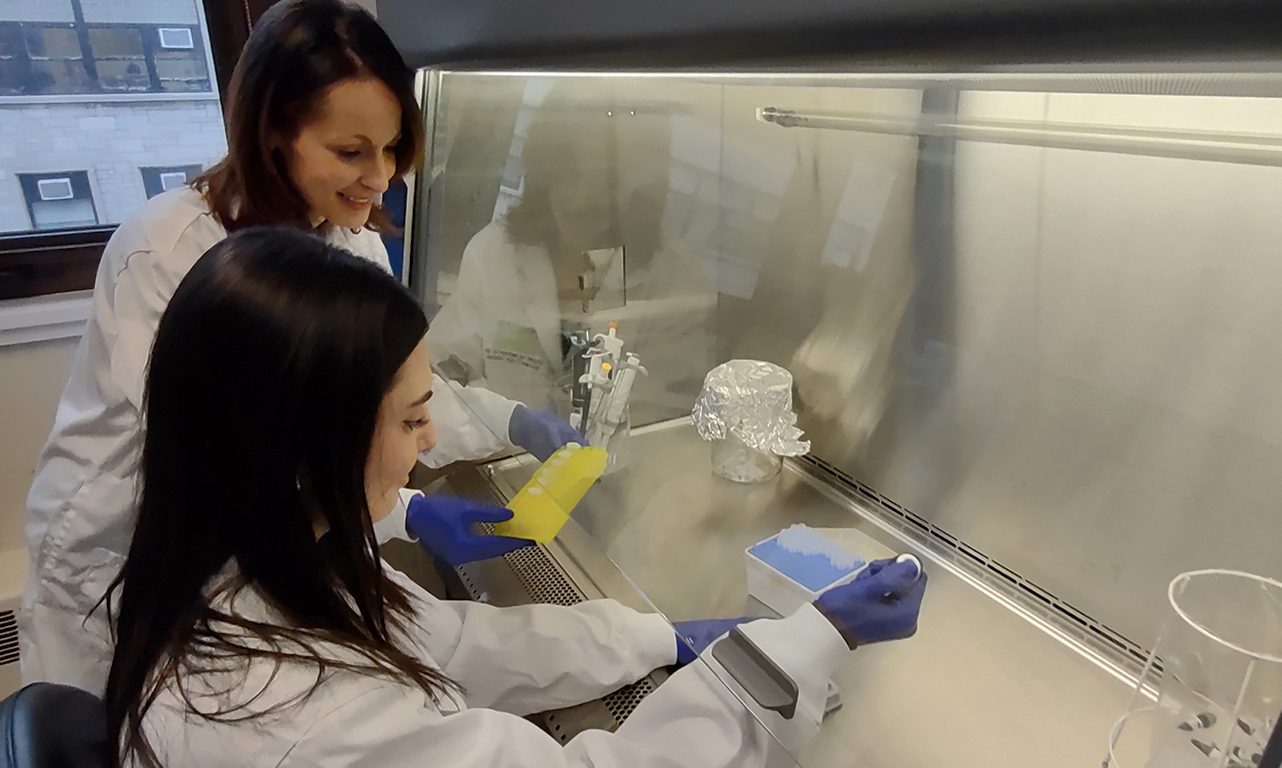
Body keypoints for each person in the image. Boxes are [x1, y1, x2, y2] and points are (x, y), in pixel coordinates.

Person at [103, 226, 928, 767]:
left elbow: (450, 646)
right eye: (414, 417)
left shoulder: (241, 568)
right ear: (302, 449)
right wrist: (802, 648)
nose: (430, 445)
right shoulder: (311, 721)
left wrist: (653, 636)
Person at [20, 0, 577, 695]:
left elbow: (377, 391)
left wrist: (506, 417)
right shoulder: (173, 253)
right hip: (122, 555)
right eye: (350, 152)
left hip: (250, 560)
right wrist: (406, 511)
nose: (381, 178)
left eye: (393, 147)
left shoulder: (352, 240)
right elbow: (222, 462)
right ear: (274, 131)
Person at [428, 83, 716, 424]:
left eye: (607, 181)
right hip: (500, 463)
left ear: (642, 185)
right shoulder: (494, 253)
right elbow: (440, 371)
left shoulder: (674, 279)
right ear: (543, 170)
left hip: (618, 471)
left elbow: (669, 419)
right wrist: (503, 428)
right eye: (570, 172)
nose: (583, 199)